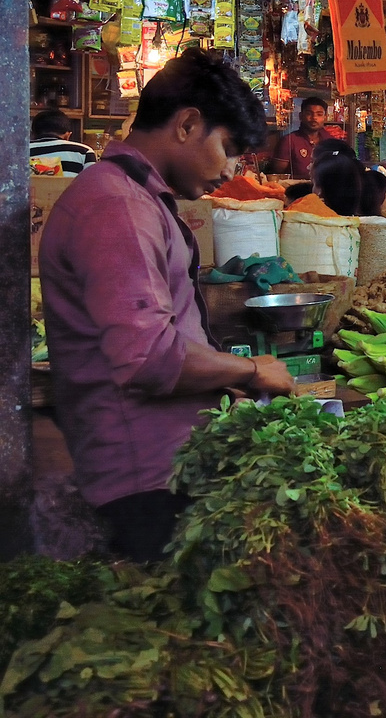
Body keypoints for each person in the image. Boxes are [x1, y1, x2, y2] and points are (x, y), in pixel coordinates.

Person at [39, 49, 295, 562]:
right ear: (187, 125)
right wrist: (251, 370)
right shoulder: (117, 207)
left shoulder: (136, 199)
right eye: (228, 149)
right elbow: (150, 357)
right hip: (146, 479)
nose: (231, 170)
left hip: (169, 466)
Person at [266, 96, 328, 180]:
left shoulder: (329, 141)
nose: (314, 118)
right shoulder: (289, 141)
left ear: (325, 117)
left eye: (319, 114)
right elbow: (276, 174)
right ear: (301, 116)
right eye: (309, 113)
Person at [30, 109, 97, 175]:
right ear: (67, 136)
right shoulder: (85, 152)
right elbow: (91, 182)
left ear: (33, 134)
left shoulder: (22, 151)